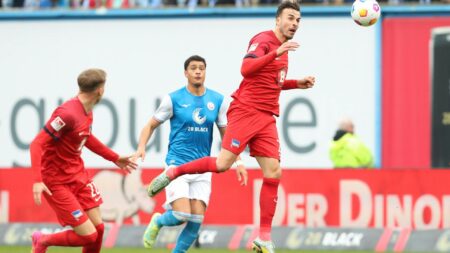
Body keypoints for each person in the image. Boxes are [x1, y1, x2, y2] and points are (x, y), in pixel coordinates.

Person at [147, 2, 315, 253]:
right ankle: (174, 172)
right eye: (290, 18)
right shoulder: (264, 40)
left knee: (274, 172)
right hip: (246, 111)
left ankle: (264, 238)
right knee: (224, 163)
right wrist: (275, 53)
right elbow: (246, 69)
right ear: (278, 19)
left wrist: (294, 84)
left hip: (266, 116)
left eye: (298, 20)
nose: (294, 24)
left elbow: (270, 82)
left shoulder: (283, 50)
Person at [135, 55, 247, 252]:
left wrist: (238, 161)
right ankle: (158, 222)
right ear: (185, 73)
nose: (198, 71)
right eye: (193, 68)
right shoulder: (174, 99)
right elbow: (151, 124)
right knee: (181, 215)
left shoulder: (217, 100)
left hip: (203, 168)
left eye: (201, 68)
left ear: (205, 72)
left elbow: (226, 134)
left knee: (196, 221)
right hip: (177, 165)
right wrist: (141, 147)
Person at [29, 68, 138, 253]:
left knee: (99, 229)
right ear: (100, 90)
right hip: (56, 181)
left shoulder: (87, 111)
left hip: (78, 176)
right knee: (88, 236)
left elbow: (86, 137)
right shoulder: (66, 114)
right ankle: (43, 240)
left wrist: (114, 157)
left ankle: (44, 240)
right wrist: (38, 181)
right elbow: (36, 144)